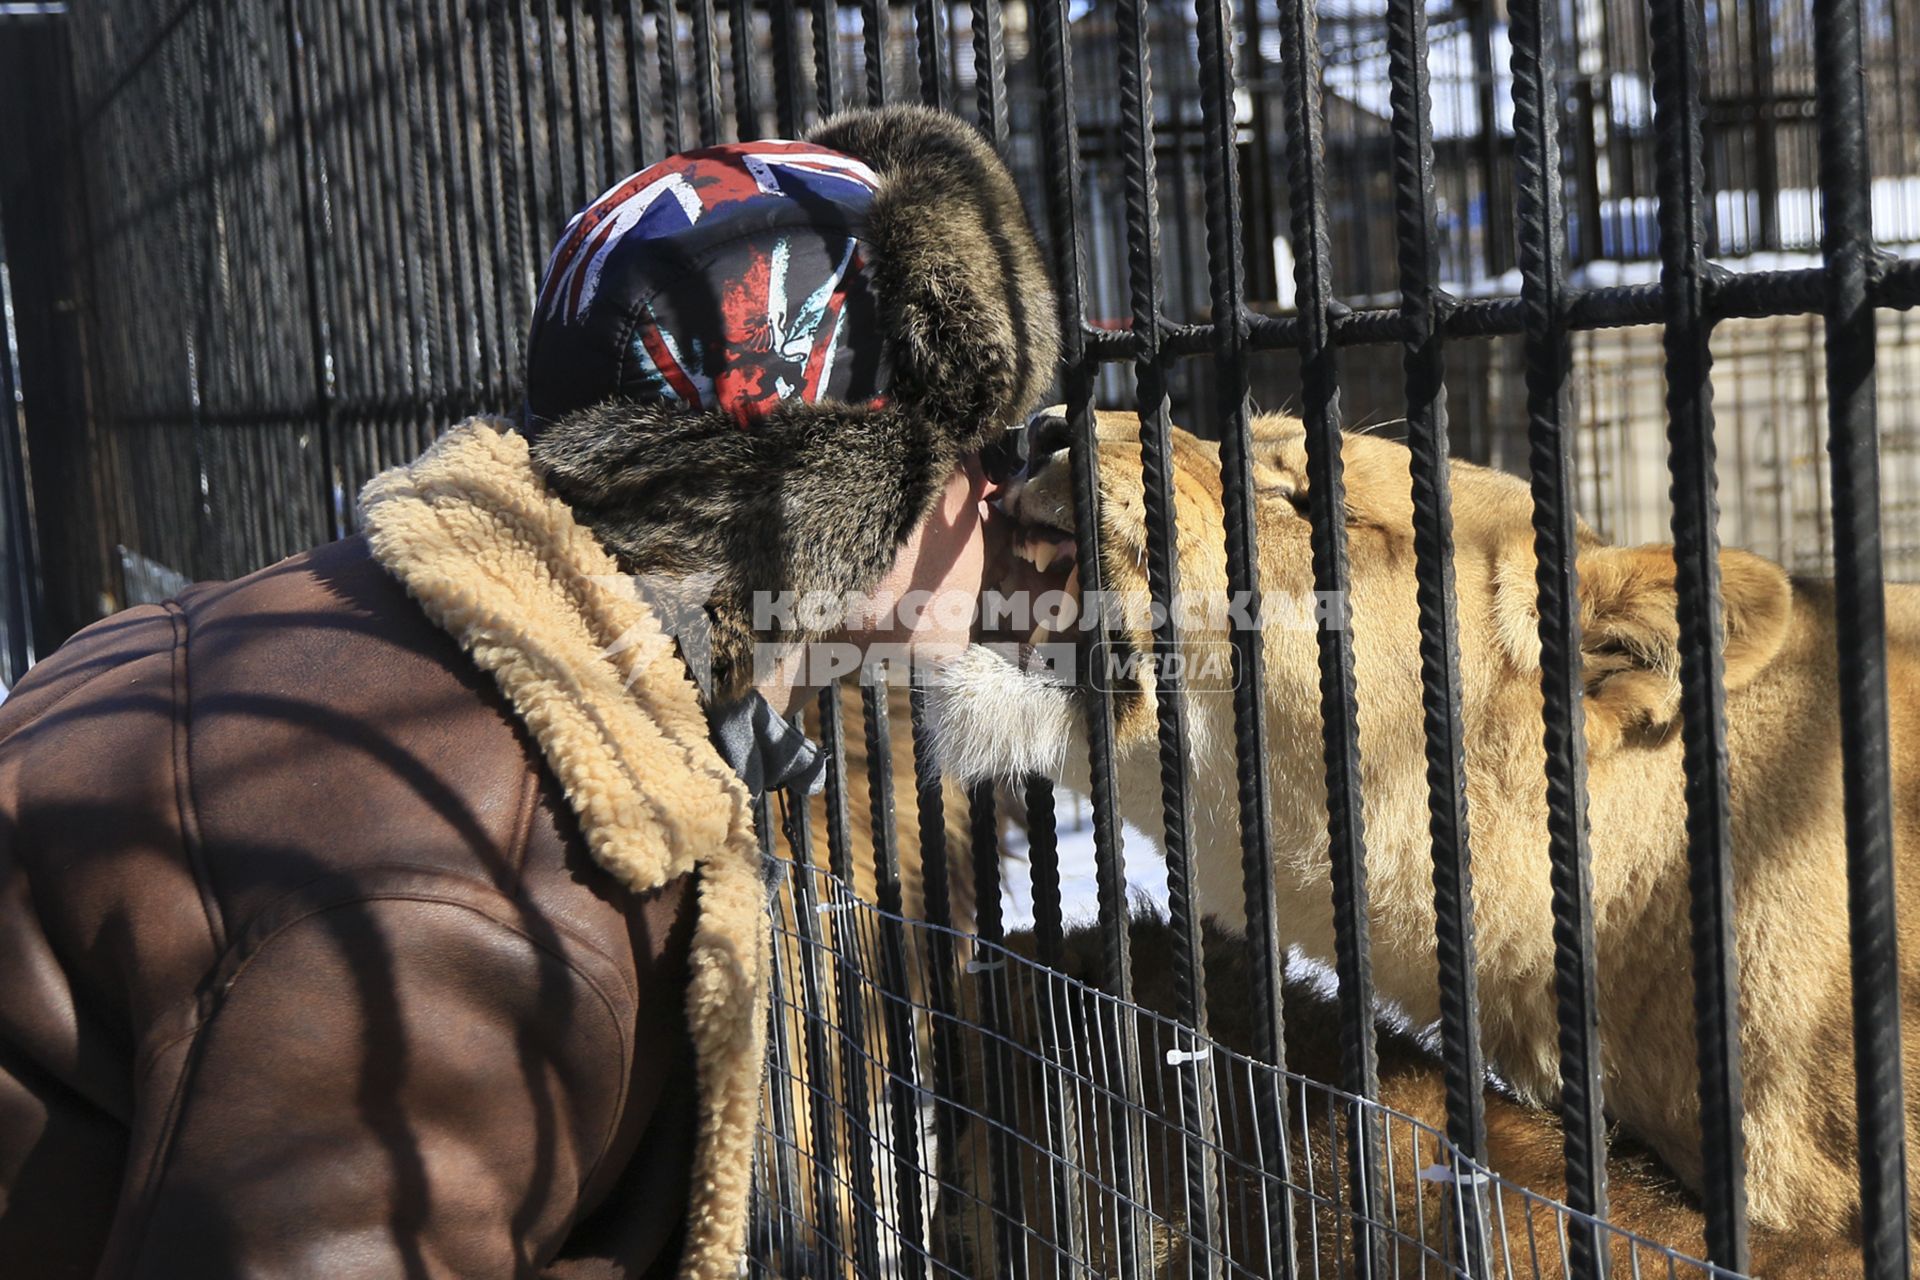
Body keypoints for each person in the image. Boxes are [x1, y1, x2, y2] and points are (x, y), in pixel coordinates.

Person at [0, 105, 1057, 1279]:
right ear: (825, 494)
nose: (1003, 489)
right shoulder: (474, 888)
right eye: (982, 440)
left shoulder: (397, 632)